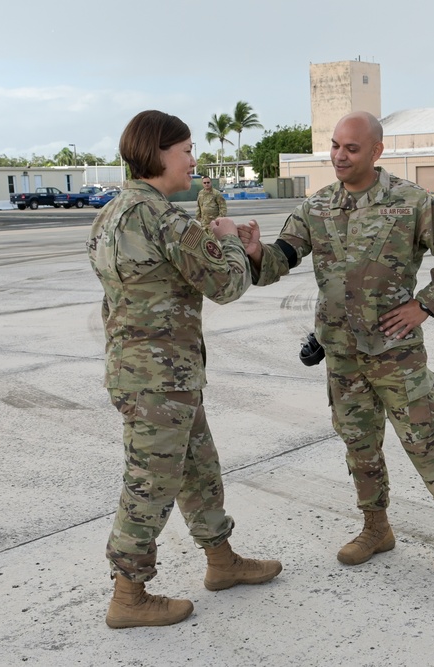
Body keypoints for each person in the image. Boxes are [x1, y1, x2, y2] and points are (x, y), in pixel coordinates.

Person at [237, 111, 434, 572]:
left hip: (394, 352)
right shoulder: (317, 206)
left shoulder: (410, 202)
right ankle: (376, 527)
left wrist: (425, 305)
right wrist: (255, 252)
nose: (339, 156)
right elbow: (279, 260)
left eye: (351, 148)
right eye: (334, 146)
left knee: (423, 439)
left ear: (376, 151)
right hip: (342, 353)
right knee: (358, 443)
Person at [87, 110, 281, 629]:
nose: (193, 160)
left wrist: (206, 227)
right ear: (158, 153)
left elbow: (145, 285)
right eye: (186, 150)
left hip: (145, 373)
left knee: (198, 467)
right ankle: (128, 596)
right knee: (150, 483)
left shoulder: (111, 214)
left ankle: (221, 562)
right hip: (161, 380)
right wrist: (231, 242)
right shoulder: (163, 220)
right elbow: (224, 285)